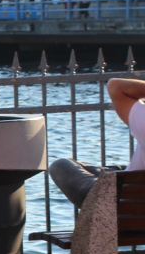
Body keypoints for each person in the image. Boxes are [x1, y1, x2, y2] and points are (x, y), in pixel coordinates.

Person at [48, 77, 145, 206]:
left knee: (60, 166)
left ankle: (99, 196)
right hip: (135, 195)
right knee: (110, 170)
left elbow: (116, 86)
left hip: (123, 203)